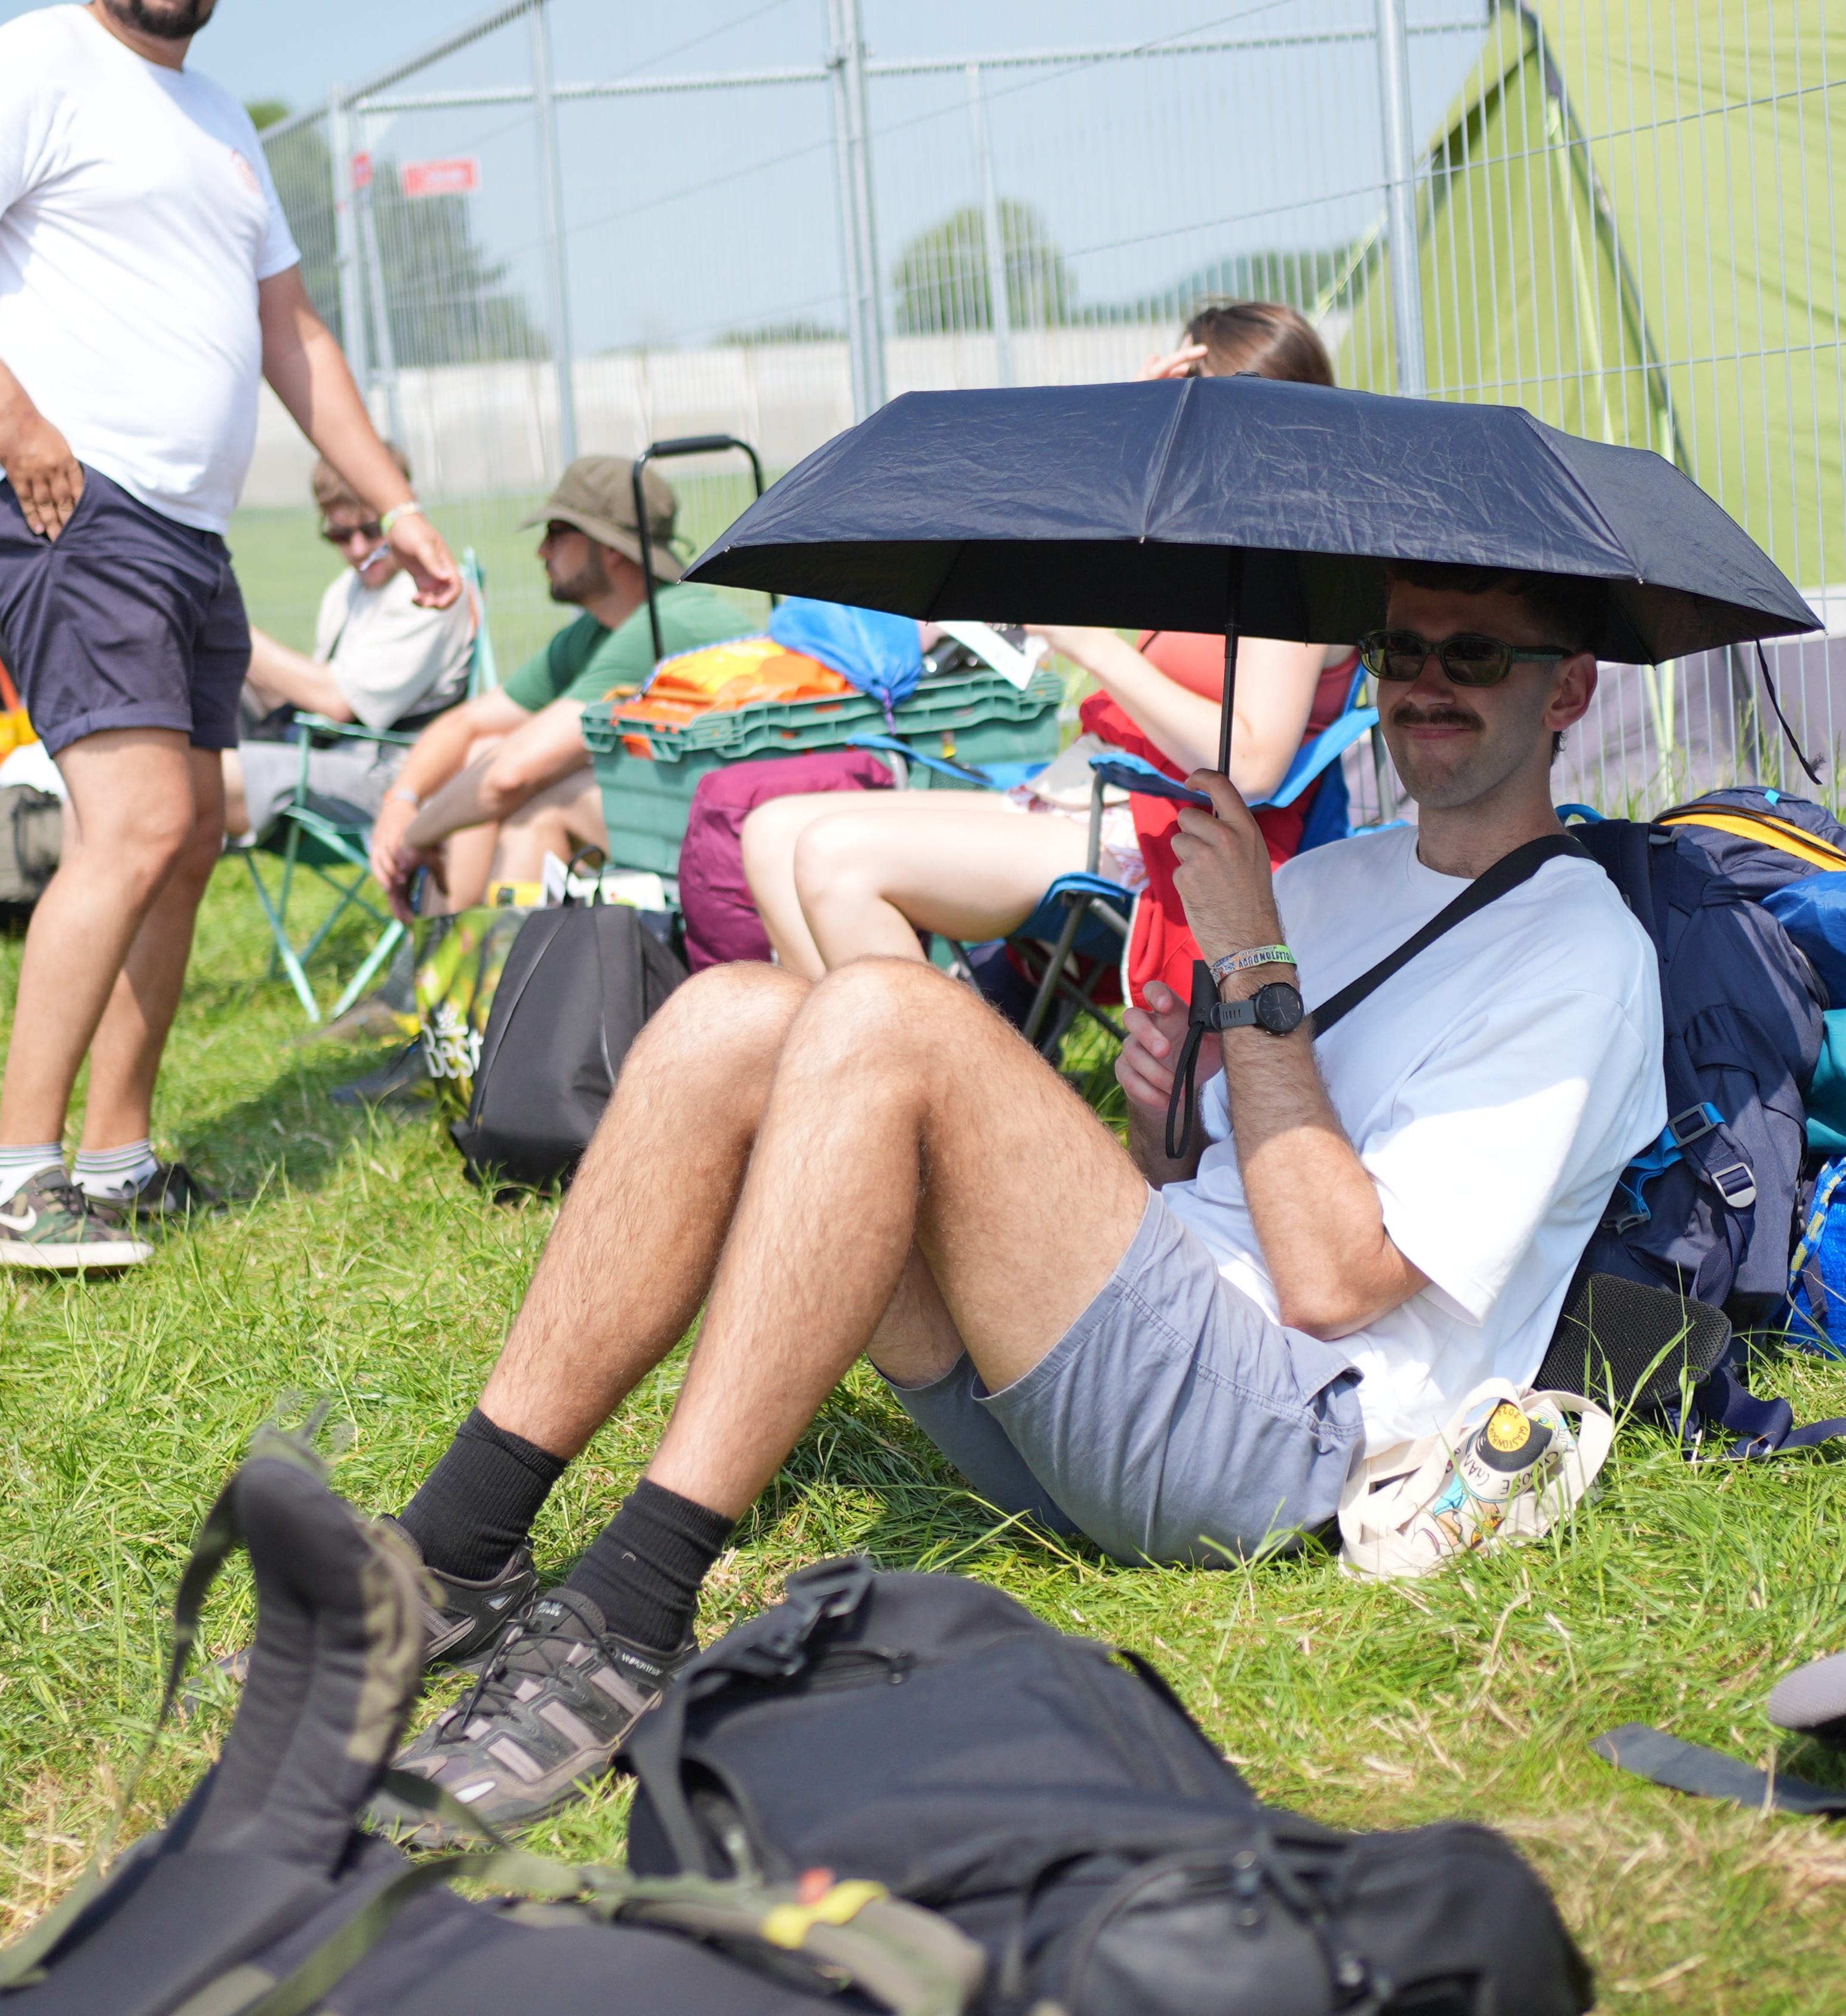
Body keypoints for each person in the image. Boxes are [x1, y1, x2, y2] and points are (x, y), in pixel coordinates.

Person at [363, 559, 1663, 1836]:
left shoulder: (1581, 956)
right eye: (1401, 653)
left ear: (1570, 690)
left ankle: (626, 1617)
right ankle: (458, 1551)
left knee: (886, 1012)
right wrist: (1164, 1115)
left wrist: (1254, 960)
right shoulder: (1331, 884)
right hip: (1124, 1373)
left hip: (1287, 1436)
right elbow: (1206, 1185)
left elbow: (1331, 1282)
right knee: (723, 1019)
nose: (1429, 684)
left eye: (1477, 655)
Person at [0, 0, 457, 1272]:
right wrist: (6, 407)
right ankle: (18, 1181)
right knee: (132, 825)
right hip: (71, 499)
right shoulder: (39, 56)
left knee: (182, 835)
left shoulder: (224, 120)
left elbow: (294, 336)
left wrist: (395, 503)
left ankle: (114, 1158)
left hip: (186, 528)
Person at [738, 300, 1359, 980]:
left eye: (1184, 410)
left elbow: (1253, 766)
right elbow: (1067, 538)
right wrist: (1119, 438)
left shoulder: (1292, 558)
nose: (1171, 431)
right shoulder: (1212, 532)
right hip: (1091, 793)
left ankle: (927, 1078)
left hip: (1163, 831)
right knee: (772, 835)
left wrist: (1097, 649)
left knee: (835, 857)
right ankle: (840, 1071)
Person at [364, 456, 751, 915]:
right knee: (484, 754)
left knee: (538, 804)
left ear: (610, 548)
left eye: (556, 533)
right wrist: (400, 801)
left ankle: (477, 969)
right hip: (677, 818)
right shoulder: (598, 630)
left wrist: (413, 836)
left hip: (738, 841)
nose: (541, 552)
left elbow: (513, 774)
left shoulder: (663, 623)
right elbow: (468, 724)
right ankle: (448, 951)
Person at [221, 452, 475, 842]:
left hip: (394, 781)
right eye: (340, 535)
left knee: (198, 777)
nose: (358, 550)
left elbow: (337, 702)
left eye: (372, 531)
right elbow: (308, 700)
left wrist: (227, 628)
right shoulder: (346, 591)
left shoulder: (433, 592)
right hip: (329, 752)